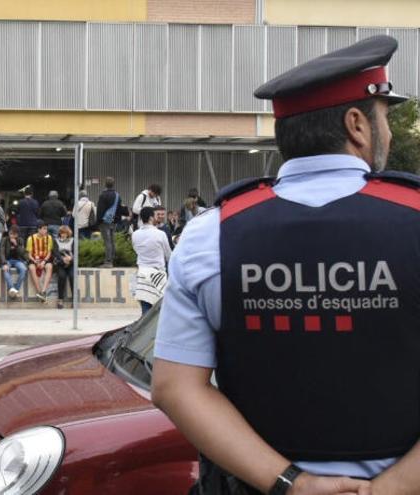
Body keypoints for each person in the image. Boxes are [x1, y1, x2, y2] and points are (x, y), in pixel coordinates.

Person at [152, 35, 411, 495]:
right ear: (357, 124)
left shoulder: (211, 234)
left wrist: (294, 482)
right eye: (384, 119)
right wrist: (394, 486)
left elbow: (176, 388)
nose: (387, 134)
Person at [131, 207, 171, 315]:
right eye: (154, 215)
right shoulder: (160, 234)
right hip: (158, 273)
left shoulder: (135, 234)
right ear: (150, 217)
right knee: (161, 308)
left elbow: (135, 249)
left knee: (145, 308)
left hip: (142, 273)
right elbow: (168, 255)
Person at [26, 224, 55, 302]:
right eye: (44, 229)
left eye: (46, 229)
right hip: (34, 259)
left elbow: (49, 253)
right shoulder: (30, 238)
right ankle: (39, 292)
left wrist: (44, 261)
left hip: (45, 259)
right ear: (38, 229)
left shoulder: (49, 238)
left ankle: (44, 291)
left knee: (49, 266)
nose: (45, 231)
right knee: (31, 268)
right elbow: (29, 254)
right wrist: (35, 261)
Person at [96, 177, 121, 268]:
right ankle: (113, 259)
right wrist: (117, 220)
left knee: (107, 241)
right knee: (112, 240)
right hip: (113, 221)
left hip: (104, 222)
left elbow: (100, 209)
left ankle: (108, 262)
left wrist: (98, 221)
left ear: (105, 184)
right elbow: (119, 209)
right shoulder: (117, 195)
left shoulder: (103, 195)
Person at [0, 225, 28, 300]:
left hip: (18, 260)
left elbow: (22, 253)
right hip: (7, 260)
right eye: (10, 233)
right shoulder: (4, 240)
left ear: (17, 234)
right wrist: (4, 263)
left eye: (14, 234)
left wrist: (16, 244)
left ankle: (15, 290)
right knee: (5, 269)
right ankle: (12, 288)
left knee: (23, 269)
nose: (11, 236)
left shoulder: (20, 240)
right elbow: (1, 252)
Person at [52, 225, 75, 310]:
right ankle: (60, 300)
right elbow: (55, 252)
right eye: (62, 233)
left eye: (65, 233)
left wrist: (70, 259)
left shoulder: (73, 240)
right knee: (62, 276)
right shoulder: (56, 241)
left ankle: (74, 300)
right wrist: (63, 260)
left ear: (68, 233)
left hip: (71, 263)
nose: (63, 235)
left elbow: (75, 251)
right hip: (60, 264)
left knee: (72, 277)